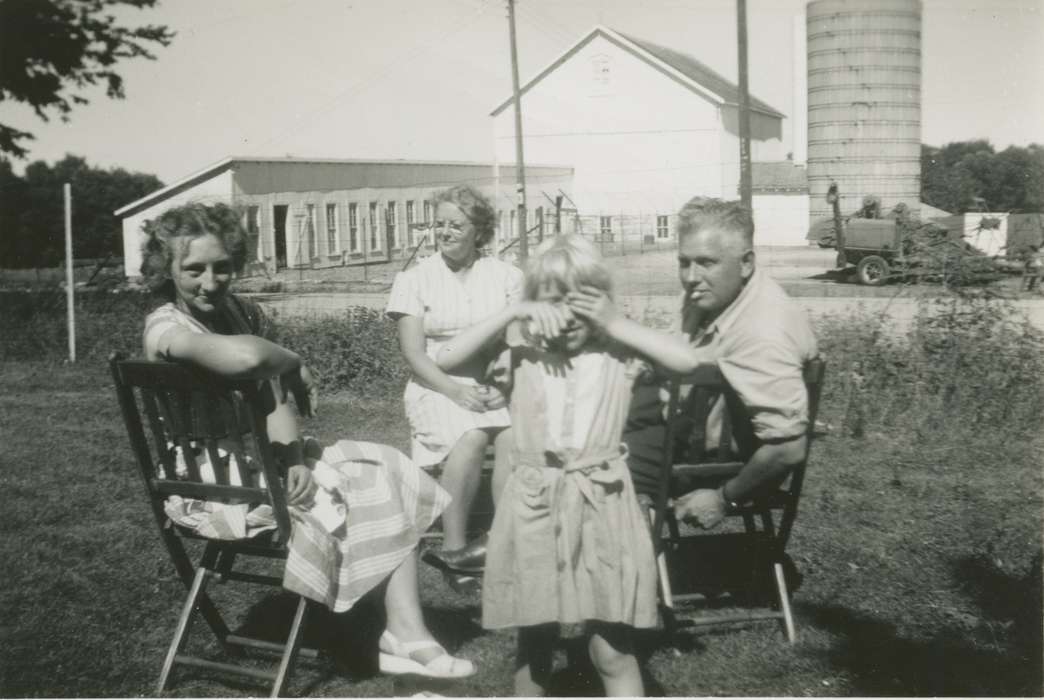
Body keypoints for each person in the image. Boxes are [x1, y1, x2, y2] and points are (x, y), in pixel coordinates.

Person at [140, 201, 474, 680]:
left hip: (259, 469)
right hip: (214, 491)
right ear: (165, 269)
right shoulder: (165, 327)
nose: (210, 281)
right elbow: (249, 362)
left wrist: (294, 456)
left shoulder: (234, 312)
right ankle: (403, 632)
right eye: (193, 269)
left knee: (387, 464)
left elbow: (271, 398)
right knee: (363, 482)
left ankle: (406, 630)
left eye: (223, 268)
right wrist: (292, 359)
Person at [435, 235, 701, 696]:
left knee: (611, 648)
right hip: (535, 510)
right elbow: (448, 357)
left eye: (584, 303)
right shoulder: (519, 359)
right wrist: (513, 313)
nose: (570, 316)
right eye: (554, 303)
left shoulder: (620, 359)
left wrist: (616, 322)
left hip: (604, 508)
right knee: (534, 644)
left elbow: (688, 360)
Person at [623, 197, 819, 529]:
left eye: (706, 262)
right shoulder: (713, 295)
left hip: (706, 460)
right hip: (681, 424)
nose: (690, 277)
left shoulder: (763, 332)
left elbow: (788, 448)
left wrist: (723, 497)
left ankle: (621, 554)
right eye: (683, 262)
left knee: (592, 461)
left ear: (746, 264)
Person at [386, 184, 522, 592]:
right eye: (439, 224)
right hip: (435, 385)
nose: (444, 232)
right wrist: (453, 391)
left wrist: (505, 381)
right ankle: (456, 551)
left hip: (491, 382)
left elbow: (515, 342)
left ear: (479, 230)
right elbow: (413, 353)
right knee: (472, 435)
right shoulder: (414, 279)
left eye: (455, 225)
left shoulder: (507, 276)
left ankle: (504, 544)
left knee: (516, 438)